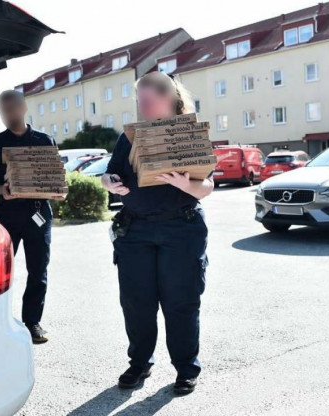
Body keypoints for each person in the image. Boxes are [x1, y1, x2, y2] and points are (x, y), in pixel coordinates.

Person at [102, 71, 213, 395]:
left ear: (171, 98)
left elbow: (207, 186)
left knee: (181, 302)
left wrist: (186, 184)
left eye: (149, 100)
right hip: (135, 230)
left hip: (181, 228)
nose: (144, 106)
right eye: (140, 101)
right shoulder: (131, 137)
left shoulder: (189, 133)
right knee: (136, 303)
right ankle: (139, 363)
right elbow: (109, 175)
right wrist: (110, 183)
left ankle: (186, 368)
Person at [0, 90, 62, 344]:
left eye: (11, 108)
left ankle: (32, 322)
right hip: (8, 214)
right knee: (1, 271)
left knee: (38, 269)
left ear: (24, 108)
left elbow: (55, 177)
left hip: (39, 212)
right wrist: (1, 190)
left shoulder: (44, 140)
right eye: (3, 111)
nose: (7, 114)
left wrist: (59, 191)